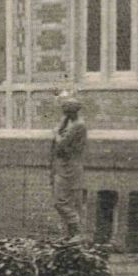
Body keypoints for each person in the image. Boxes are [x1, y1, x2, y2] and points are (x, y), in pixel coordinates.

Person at [50, 92, 87, 239]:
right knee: (64, 200)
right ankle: (70, 234)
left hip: (70, 168)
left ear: (72, 112)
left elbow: (61, 144)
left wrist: (56, 133)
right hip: (64, 166)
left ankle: (76, 230)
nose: (64, 114)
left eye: (66, 112)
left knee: (61, 202)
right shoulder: (71, 122)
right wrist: (63, 122)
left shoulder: (78, 126)